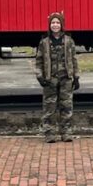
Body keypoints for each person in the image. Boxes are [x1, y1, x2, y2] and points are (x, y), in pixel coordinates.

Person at [35, 11, 80, 143]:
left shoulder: (69, 41)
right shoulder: (44, 42)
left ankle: (66, 133)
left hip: (66, 78)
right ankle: (49, 133)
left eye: (58, 22)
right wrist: (40, 77)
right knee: (49, 107)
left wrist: (76, 77)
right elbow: (39, 61)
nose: (55, 25)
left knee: (66, 106)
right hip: (50, 79)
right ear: (50, 25)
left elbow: (74, 59)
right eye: (53, 23)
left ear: (62, 25)